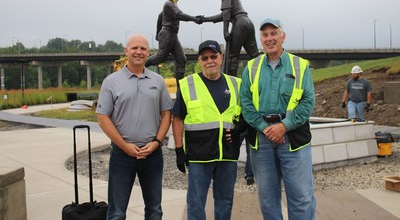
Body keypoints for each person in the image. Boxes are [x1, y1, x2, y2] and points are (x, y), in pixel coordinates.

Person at [240, 18, 316, 219]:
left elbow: (308, 102)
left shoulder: (299, 65)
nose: (269, 38)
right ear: (261, 39)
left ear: (283, 36)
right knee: (267, 200)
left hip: (293, 139)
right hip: (262, 139)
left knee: (301, 197)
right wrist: (265, 128)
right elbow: (246, 104)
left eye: (273, 33)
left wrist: (284, 126)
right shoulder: (251, 67)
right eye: (264, 35)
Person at [96, 34, 174, 220]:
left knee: (154, 209)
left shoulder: (158, 81)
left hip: (152, 154)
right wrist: (125, 146)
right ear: (126, 51)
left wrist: (157, 142)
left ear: (148, 52)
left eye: (143, 48)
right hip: (122, 155)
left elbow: (166, 114)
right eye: (134, 48)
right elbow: (102, 117)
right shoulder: (111, 82)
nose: (139, 52)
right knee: (116, 212)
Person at [172, 40, 245, 220]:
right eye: (205, 58)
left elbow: (245, 115)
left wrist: (239, 132)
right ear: (199, 61)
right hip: (198, 156)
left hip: (227, 155)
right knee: (196, 202)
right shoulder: (188, 84)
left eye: (213, 56)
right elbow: (178, 119)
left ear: (221, 58)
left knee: (225, 201)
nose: (209, 61)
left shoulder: (236, 84)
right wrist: (179, 150)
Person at [146, 0, 203, 88]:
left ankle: (180, 88)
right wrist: (195, 19)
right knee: (161, 57)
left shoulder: (173, 4)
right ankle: (140, 64)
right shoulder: (169, 4)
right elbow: (180, 15)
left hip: (173, 35)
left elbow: (160, 16)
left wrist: (157, 33)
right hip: (167, 34)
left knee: (182, 59)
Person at [202, 0, 259, 76]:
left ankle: (231, 80)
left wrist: (225, 30)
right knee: (254, 55)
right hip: (248, 22)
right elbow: (223, 15)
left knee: (232, 56)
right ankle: (263, 75)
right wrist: (205, 19)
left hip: (240, 24)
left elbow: (226, 12)